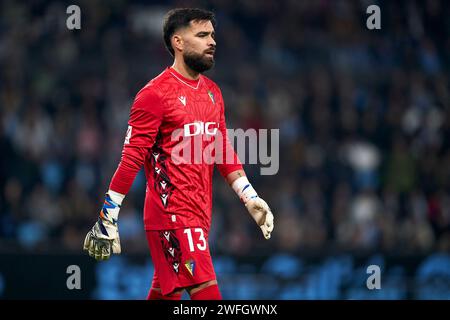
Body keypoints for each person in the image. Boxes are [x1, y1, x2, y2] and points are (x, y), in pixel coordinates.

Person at [83, 8, 274, 300]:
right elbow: (131, 158)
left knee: (164, 294)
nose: (212, 41)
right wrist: (107, 216)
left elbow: (221, 150)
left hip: (199, 215)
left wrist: (249, 197)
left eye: (212, 35)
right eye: (202, 35)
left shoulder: (213, 92)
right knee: (208, 294)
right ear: (178, 42)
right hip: (171, 214)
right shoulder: (154, 95)